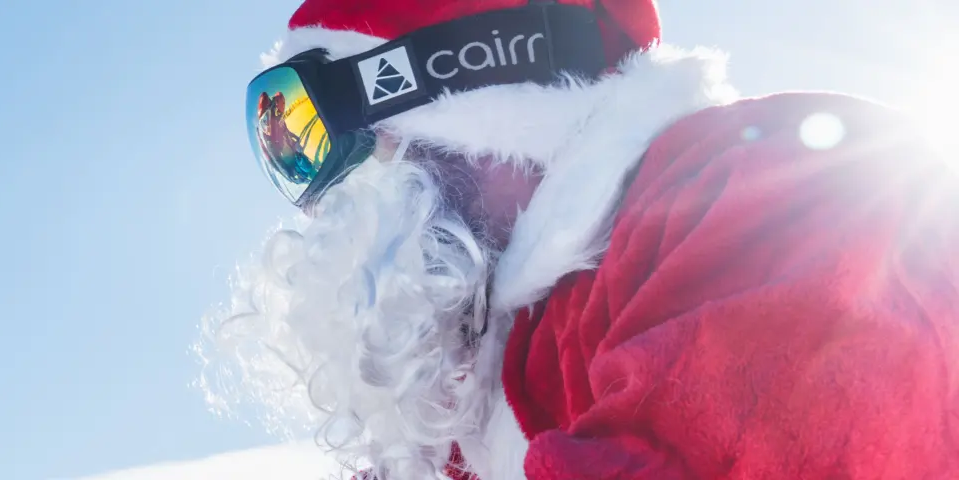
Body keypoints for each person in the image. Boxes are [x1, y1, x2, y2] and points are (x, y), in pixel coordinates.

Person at [198, 0, 959, 478]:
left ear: (470, 102)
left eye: (345, 150)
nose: (320, 206)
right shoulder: (517, 359)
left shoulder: (773, 191)